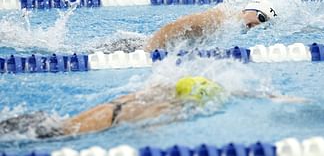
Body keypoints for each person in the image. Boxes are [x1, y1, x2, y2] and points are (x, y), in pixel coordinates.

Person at [0, 76, 304, 139]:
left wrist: (271, 97)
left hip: (55, 120)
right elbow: (149, 133)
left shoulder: (153, 92)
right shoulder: (161, 110)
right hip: (62, 132)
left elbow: (235, 89)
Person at [145, 0, 278, 52]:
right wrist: (149, 50)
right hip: (150, 46)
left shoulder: (234, 27)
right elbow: (172, 28)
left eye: (264, 24)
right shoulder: (219, 19)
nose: (259, 25)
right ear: (249, 10)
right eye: (261, 17)